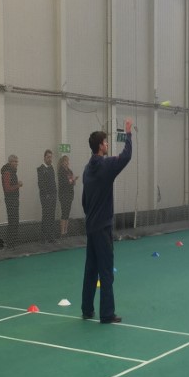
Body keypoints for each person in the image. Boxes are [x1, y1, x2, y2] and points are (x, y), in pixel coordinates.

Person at [82, 119, 133, 323]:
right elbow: (126, 156)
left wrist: (91, 215)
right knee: (106, 271)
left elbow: (84, 200)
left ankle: (87, 309)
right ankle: (106, 313)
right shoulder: (106, 166)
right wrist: (128, 134)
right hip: (102, 227)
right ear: (100, 146)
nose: (107, 145)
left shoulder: (87, 169)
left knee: (90, 269)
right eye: (105, 142)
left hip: (91, 226)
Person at [0, 154, 22, 247]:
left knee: (15, 221)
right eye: (15, 161)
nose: (17, 163)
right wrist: (18, 185)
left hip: (14, 199)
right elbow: (7, 188)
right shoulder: (7, 172)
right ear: (10, 162)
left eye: (17, 161)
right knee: (13, 221)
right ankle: (10, 243)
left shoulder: (13, 172)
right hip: (10, 200)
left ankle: (13, 242)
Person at [37, 149, 57, 243]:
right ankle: (43, 238)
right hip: (45, 197)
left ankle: (51, 237)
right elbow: (41, 184)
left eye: (51, 157)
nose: (50, 159)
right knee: (46, 216)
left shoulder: (51, 168)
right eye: (48, 157)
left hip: (53, 196)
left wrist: (54, 194)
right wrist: (46, 194)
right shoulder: (40, 168)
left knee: (52, 216)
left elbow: (53, 182)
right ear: (44, 157)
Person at [58, 155, 78, 236]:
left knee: (67, 212)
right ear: (63, 162)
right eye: (66, 161)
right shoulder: (61, 171)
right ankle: (62, 231)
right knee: (64, 212)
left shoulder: (70, 171)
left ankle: (66, 231)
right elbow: (64, 183)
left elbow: (72, 183)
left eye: (68, 161)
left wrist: (74, 180)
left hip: (70, 194)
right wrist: (72, 180)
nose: (68, 162)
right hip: (63, 194)